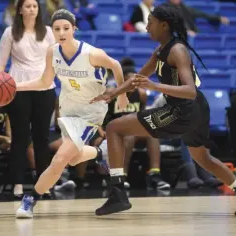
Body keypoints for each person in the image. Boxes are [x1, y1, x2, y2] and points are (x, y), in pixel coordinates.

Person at [92, 3, 236, 216]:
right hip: (193, 109)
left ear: (164, 25)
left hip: (184, 108)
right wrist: (111, 93)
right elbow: (138, 79)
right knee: (203, 159)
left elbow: (189, 90)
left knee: (114, 127)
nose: (147, 27)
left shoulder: (177, 50)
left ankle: (117, 193)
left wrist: (155, 86)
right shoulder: (161, 50)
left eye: (150, 22)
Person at [14, 9, 129, 218]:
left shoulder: (92, 54)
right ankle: (100, 152)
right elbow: (44, 82)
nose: (61, 32)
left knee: (59, 159)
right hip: (68, 110)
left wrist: (121, 94)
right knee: (74, 159)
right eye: (57, 29)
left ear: (74, 29)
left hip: (90, 112)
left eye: (66, 28)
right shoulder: (53, 52)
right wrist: (16, 86)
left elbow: (116, 65)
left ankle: (30, 200)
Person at [0, 0, 57, 198]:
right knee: (20, 138)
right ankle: (18, 184)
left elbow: (57, 62)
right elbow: (0, 65)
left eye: (35, 6)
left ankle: (43, 184)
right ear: (19, 9)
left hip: (45, 89)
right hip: (17, 89)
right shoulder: (10, 32)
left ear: (39, 10)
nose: (32, 9)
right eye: (28, 6)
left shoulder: (48, 32)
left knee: (42, 138)